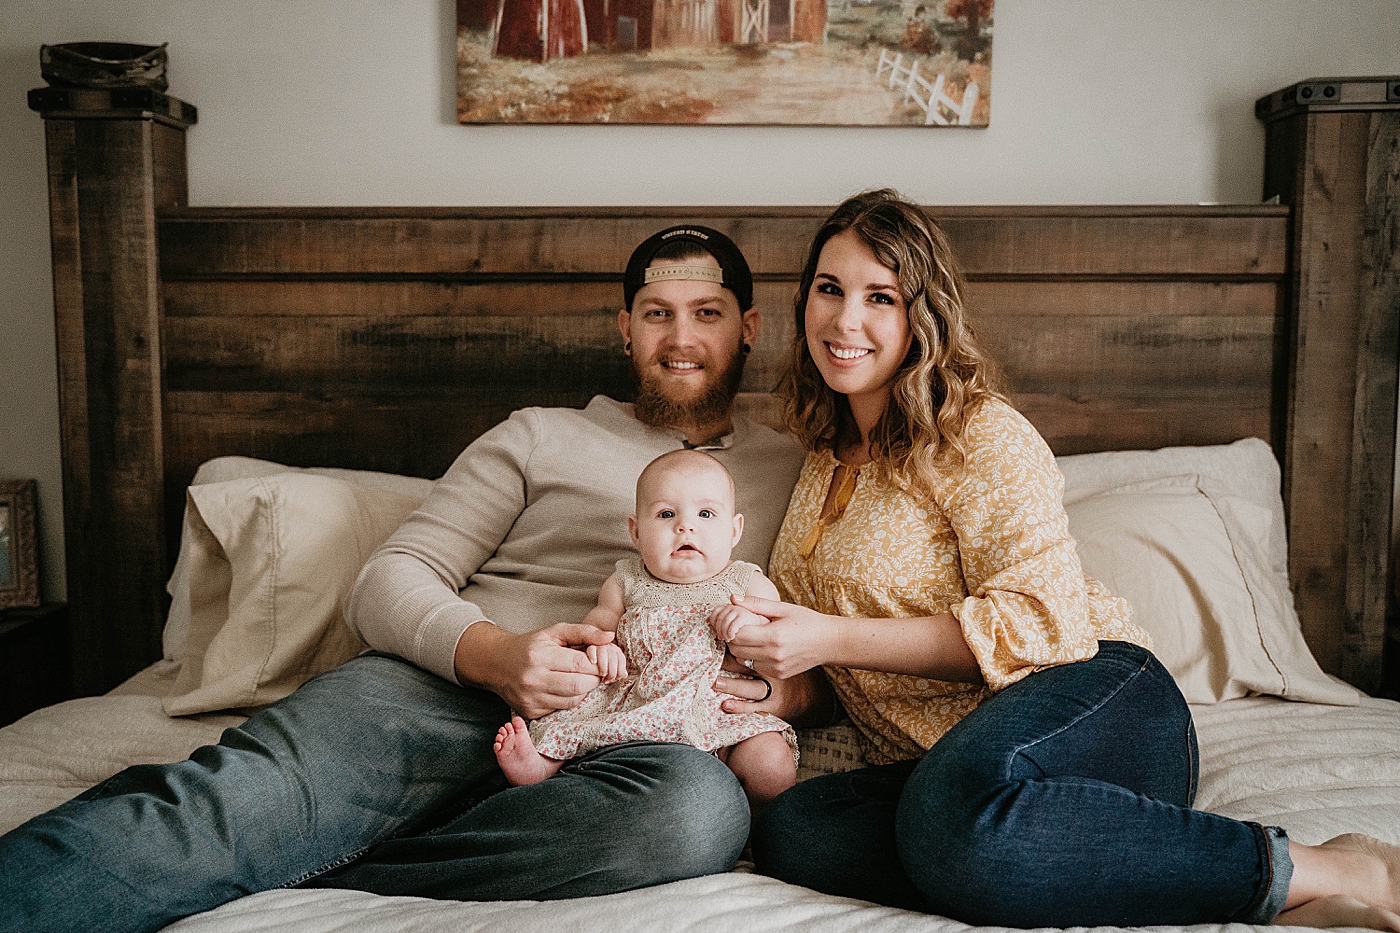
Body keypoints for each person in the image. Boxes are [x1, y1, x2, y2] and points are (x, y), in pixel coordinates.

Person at [0, 225, 807, 933]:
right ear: (625, 328)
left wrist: (785, 696)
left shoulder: (793, 466)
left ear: (749, 328)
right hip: (438, 693)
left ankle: (347, 858)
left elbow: (818, 648)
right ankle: (271, 835)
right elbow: (390, 575)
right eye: (657, 313)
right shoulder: (537, 435)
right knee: (226, 808)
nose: (681, 336)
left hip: (642, 740)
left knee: (700, 814)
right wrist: (495, 654)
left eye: (708, 312)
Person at [708, 188, 1400, 932]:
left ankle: (1336, 866)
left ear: (924, 315)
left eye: (881, 296)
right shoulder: (820, 458)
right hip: (946, 769)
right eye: (829, 289)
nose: (845, 320)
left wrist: (827, 636)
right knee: (795, 829)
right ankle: (1100, 860)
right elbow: (856, 667)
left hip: (1096, 699)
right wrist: (790, 694)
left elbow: (1044, 620)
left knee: (949, 817)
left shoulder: (976, 433)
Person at [494, 448, 797, 806]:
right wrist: (601, 648)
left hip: (721, 714)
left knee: (770, 763)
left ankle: (760, 837)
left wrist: (748, 622)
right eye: (666, 514)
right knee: (580, 719)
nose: (686, 526)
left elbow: (781, 636)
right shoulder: (626, 581)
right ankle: (543, 764)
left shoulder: (746, 582)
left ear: (734, 530)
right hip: (639, 707)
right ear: (636, 532)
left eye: (706, 513)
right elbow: (599, 626)